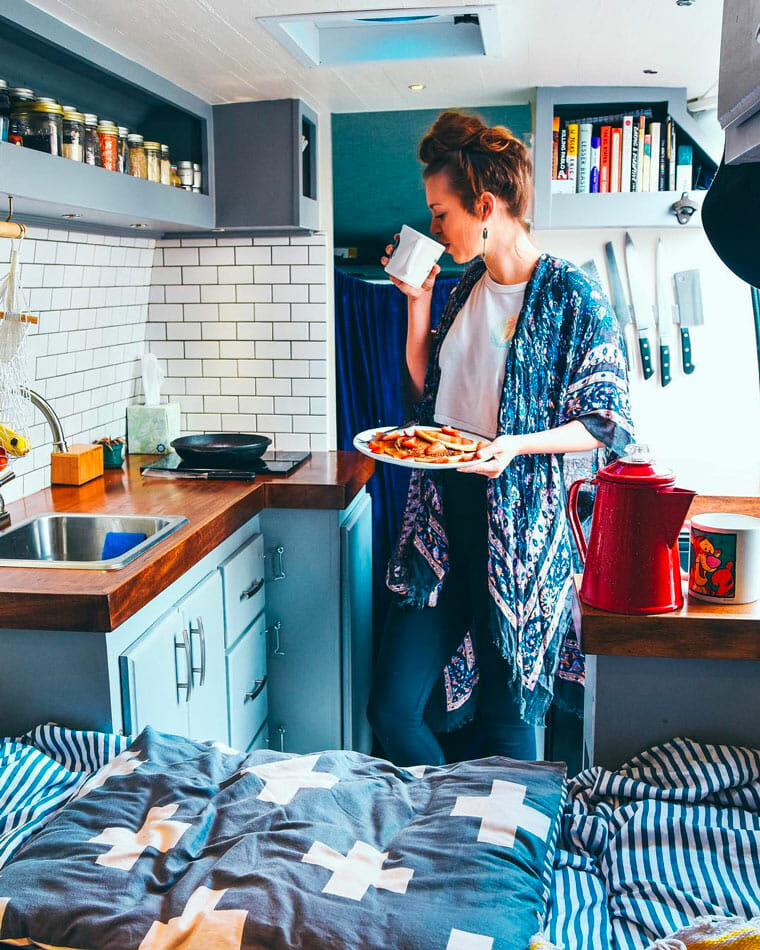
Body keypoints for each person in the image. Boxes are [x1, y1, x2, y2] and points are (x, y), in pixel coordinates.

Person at [367, 111, 634, 767]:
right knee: (393, 710)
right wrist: (417, 305)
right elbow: (426, 404)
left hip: (521, 541)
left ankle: (494, 857)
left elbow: (609, 421)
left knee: (507, 720)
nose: (434, 228)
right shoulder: (463, 290)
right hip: (443, 529)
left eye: (440, 214)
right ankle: (449, 829)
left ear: (484, 205)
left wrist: (514, 446)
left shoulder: (572, 294)